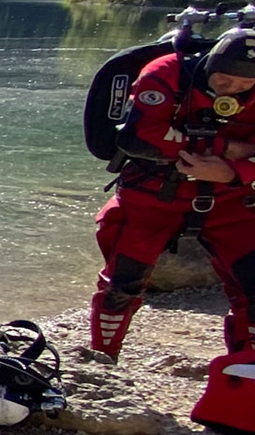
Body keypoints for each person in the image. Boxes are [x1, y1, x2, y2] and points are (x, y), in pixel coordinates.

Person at [93, 28, 255, 359]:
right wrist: (226, 148)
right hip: (152, 199)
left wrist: (232, 171)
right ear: (210, 64)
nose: (232, 91)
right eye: (224, 81)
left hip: (230, 201)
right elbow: (141, 137)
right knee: (120, 287)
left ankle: (245, 366)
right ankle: (102, 361)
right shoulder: (167, 73)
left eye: (244, 86)